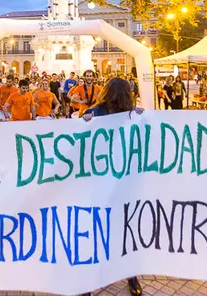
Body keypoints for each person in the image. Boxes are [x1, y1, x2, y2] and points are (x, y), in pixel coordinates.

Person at [80, 77, 143, 296]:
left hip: (113, 178)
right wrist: (84, 120)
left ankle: (91, 279)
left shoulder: (134, 113)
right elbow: (81, 134)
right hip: (111, 178)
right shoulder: (95, 113)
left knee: (101, 226)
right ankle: (130, 275)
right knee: (123, 226)